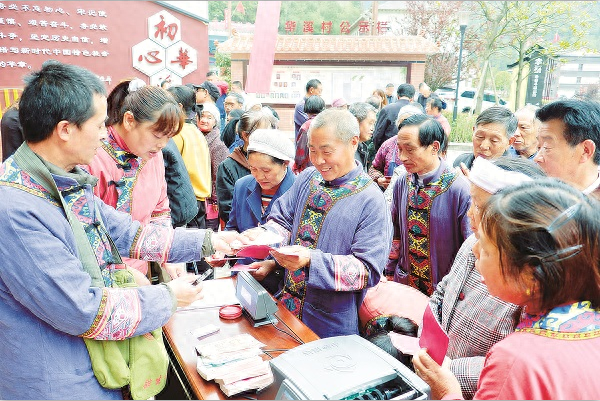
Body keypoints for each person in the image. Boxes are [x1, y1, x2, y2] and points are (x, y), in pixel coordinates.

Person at [0, 60, 234, 400]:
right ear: (65, 129)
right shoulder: (17, 210)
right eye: (97, 124)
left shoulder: (62, 182)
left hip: (92, 367)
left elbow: (130, 233)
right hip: (58, 381)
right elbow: (83, 310)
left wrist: (211, 241)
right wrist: (168, 297)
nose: (103, 133)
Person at [414, 178, 600, 400]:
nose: (474, 250)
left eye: (486, 247)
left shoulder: (515, 359)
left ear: (530, 273)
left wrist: (448, 391)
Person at [254, 108, 392, 338]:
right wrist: (265, 239)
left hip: (329, 322)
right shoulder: (309, 177)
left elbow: (367, 271)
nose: (318, 160)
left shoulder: (371, 200)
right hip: (286, 308)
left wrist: (311, 260)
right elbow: (283, 218)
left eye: (326, 151)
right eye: (312, 151)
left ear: (353, 143)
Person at [429, 156, 546, 399]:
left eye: (481, 207)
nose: (471, 214)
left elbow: (518, 360)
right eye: (472, 201)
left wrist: (450, 371)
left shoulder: (528, 278)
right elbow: (444, 289)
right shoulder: (471, 242)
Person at [86, 78, 187, 279]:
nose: (163, 145)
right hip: (99, 275)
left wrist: (167, 255)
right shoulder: (92, 156)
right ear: (129, 120)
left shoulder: (153, 156)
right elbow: (86, 231)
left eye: (169, 138)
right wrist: (122, 271)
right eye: (158, 135)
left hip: (140, 269)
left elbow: (160, 211)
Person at [387, 113, 471, 296]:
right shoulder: (403, 182)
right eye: (399, 149)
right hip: (405, 284)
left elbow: (470, 248)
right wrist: (390, 271)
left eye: (409, 149)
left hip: (443, 290)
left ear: (434, 147)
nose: (401, 157)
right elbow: (395, 232)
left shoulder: (459, 189)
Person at [225, 129, 296, 294]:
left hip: (283, 285)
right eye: (253, 169)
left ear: (285, 163)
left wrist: (273, 264)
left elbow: (303, 246)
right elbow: (232, 227)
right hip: (244, 276)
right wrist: (224, 251)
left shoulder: (299, 191)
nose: (259, 176)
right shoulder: (242, 186)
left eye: (266, 170)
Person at [216, 109, 277, 226]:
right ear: (245, 135)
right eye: (263, 134)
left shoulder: (277, 163)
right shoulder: (228, 167)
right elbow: (227, 209)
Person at [534, 99, 600, 199]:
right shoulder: (533, 197)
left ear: (586, 151)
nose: (537, 158)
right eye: (538, 147)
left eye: (547, 148)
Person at [167, 85, 212, 230]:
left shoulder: (177, 133)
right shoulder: (195, 131)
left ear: (179, 107)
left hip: (185, 201)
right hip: (200, 200)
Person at [370, 103, 423, 192]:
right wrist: (379, 179)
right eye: (403, 122)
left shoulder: (425, 145)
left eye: (411, 123)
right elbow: (373, 169)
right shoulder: (388, 145)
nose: (407, 126)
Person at [453, 106, 518, 170]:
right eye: (480, 137)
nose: (484, 146)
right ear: (473, 131)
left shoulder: (515, 175)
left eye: (494, 140)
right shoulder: (461, 162)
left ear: (509, 142)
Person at [197, 102, 228, 231]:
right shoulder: (196, 136)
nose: (204, 120)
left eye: (209, 117)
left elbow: (218, 174)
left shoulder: (218, 144)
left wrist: (215, 199)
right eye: (202, 116)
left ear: (215, 121)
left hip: (209, 200)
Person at [372, 83, 416, 152]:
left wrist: (380, 152)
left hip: (388, 152)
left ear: (397, 95)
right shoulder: (417, 111)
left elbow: (377, 135)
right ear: (412, 98)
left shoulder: (387, 109)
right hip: (411, 154)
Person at [294, 95, 326, 174]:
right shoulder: (328, 123)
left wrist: (297, 165)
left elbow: (301, 152)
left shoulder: (306, 126)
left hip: (311, 168)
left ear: (307, 108)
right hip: (326, 166)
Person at [348, 101, 378, 172]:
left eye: (374, 124)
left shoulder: (362, 146)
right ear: (356, 121)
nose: (372, 128)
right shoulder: (348, 150)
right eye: (370, 123)